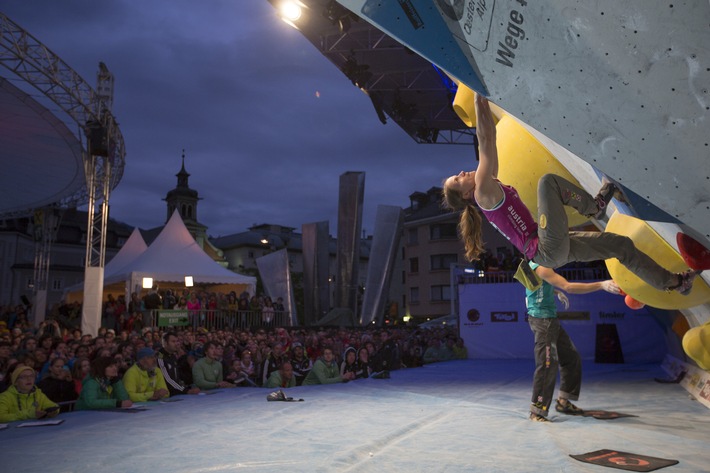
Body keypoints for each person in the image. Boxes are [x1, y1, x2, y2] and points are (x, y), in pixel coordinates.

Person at [442, 94, 697, 296]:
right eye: (458, 178)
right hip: (544, 246)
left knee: (621, 246)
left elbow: (492, 135)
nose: (463, 171)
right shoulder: (483, 192)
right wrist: (476, 99)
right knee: (547, 183)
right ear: (465, 194)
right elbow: (484, 140)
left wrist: (483, 102)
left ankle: (675, 283)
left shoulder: (490, 183)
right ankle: (595, 207)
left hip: (552, 245)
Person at [526, 263, 621, 422]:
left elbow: (533, 287)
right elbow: (568, 287)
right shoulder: (542, 267)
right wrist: (601, 284)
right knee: (547, 364)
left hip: (550, 318)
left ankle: (563, 402)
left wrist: (553, 291)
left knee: (571, 357)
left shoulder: (532, 264)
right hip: (543, 321)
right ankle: (537, 411)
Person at [157, 332, 200, 396]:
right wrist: (186, 390)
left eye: (177, 341)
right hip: (167, 394)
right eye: (173, 341)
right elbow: (167, 379)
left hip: (177, 393)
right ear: (165, 343)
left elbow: (176, 377)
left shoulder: (172, 356)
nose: (176, 344)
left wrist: (186, 387)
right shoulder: (160, 357)